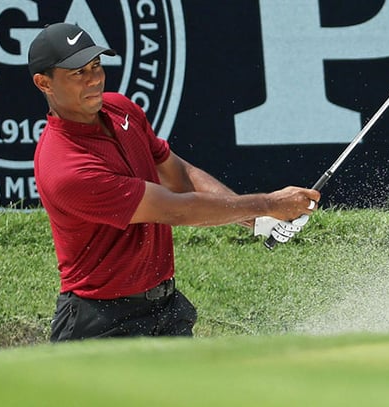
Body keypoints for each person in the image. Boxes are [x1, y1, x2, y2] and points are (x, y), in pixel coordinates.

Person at [28, 23, 320, 341]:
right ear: (44, 83)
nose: (95, 79)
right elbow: (178, 210)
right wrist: (269, 203)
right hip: (101, 322)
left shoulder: (119, 108)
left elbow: (179, 174)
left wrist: (254, 219)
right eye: (78, 73)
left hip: (166, 309)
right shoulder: (66, 166)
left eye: (96, 66)